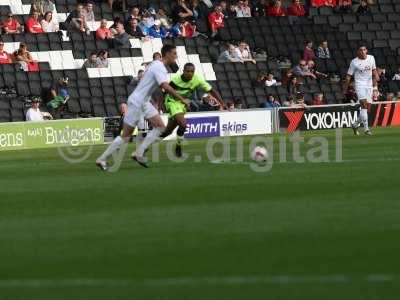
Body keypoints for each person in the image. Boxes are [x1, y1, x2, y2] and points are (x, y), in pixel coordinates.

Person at [96, 45, 188, 170]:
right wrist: (181, 99)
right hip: (137, 102)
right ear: (167, 54)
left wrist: (159, 101)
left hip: (143, 101)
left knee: (160, 127)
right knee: (126, 136)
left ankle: (139, 153)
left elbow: (156, 85)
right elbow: (165, 86)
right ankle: (102, 159)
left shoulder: (156, 64)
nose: (176, 56)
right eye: (174, 53)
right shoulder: (159, 67)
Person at [159, 63, 224, 157]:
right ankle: (178, 147)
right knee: (184, 124)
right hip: (172, 101)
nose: (190, 73)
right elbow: (165, 92)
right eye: (187, 71)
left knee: (167, 132)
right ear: (183, 71)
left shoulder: (197, 79)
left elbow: (211, 90)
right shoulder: (175, 80)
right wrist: (162, 105)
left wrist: (222, 103)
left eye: (192, 71)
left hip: (183, 104)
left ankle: (145, 145)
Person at [344, 46, 379, 136]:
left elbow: (374, 69)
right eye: (361, 50)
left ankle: (355, 124)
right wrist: (345, 88)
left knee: (366, 109)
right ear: (358, 52)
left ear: (366, 51)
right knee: (363, 104)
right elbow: (348, 76)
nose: (363, 51)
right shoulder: (354, 62)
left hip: (369, 85)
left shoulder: (371, 58)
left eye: (364, 50)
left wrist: (376, 77)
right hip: (359, 85)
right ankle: (366, 129)